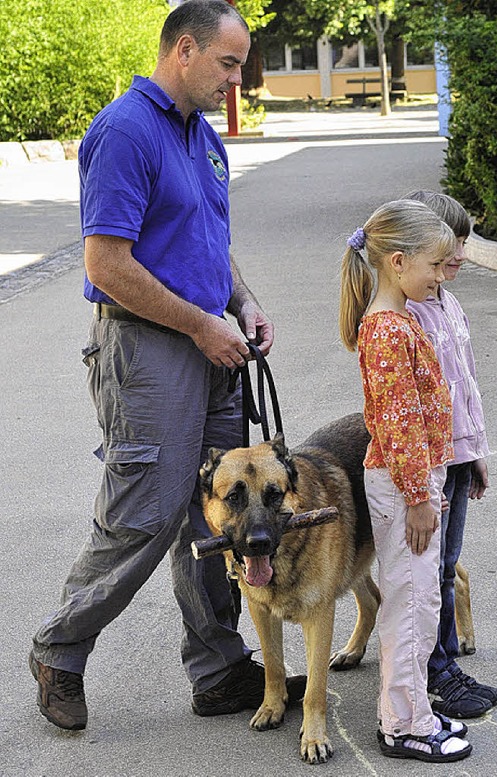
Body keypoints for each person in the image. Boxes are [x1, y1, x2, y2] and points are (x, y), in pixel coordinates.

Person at [29, 0, 304, 732]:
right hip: (148, 350)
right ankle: (59, 649)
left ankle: (217, 669)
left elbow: (209, 241)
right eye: (228, 63)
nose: (236, 80)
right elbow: (106, 263)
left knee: (216, 514)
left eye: (239, 66)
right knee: (144, 517)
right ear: (183, 50)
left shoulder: (200, 136)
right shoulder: (125, 132)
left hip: (210, 343)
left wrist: (243, 303)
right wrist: (199, 326)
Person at [339, 200, 472, 764]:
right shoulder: (389, 331)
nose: (441, 275)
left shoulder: (399, 320)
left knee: (417, 602)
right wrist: (420, 498)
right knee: (412, 606)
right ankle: (403, 724)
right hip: (404, 488)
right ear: (397, 263)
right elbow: (398, 424)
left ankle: (412, 705)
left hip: (413, 481)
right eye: (434, 265)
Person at [405, 190, 497, 718]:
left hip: (457, 457)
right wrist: (425, 479)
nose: (461, 257)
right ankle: (436, 672)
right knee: (429, 571)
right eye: (452, 248)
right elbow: (411, 409)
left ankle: (439, 664)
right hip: (429, 466)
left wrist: (476, 452)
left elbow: (465, 388)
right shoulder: (405, 314)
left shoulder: (447, 302)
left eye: (463, 244)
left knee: (443, 567)